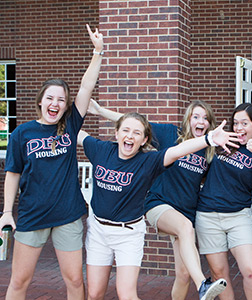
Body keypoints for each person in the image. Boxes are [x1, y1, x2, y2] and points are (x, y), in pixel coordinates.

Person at [0, 25, 103, 300]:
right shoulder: (22, 134)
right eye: (50, 98)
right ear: (41, 102)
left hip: (68, 214)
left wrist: (98, 52)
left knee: (75, 280)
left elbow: (86, 87)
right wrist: (6, 212)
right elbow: (13, 173)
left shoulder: (71, 125)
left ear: (65, 106)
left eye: (61, 100)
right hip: (32, 215)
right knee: (19, 280)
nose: (55, 103)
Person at [78, 111, 239, 300]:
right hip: (98, 230)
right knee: (94, 294)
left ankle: (202, 284)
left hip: (128, 233)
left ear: (145, 139)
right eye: (126, 131)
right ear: (117, 134)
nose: (130, 136)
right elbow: (74, 132)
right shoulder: (101, 149)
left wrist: (209, 138)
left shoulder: (148, 161)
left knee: (127, 295)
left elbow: (178, 150)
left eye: (137, 133)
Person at [195, 103, 252, 300]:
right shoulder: (223, 143)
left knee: (251, 270)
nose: (238, 128)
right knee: (219, 275)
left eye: (244, 123)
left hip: (239, 216)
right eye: (235, 123)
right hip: (208, 215)